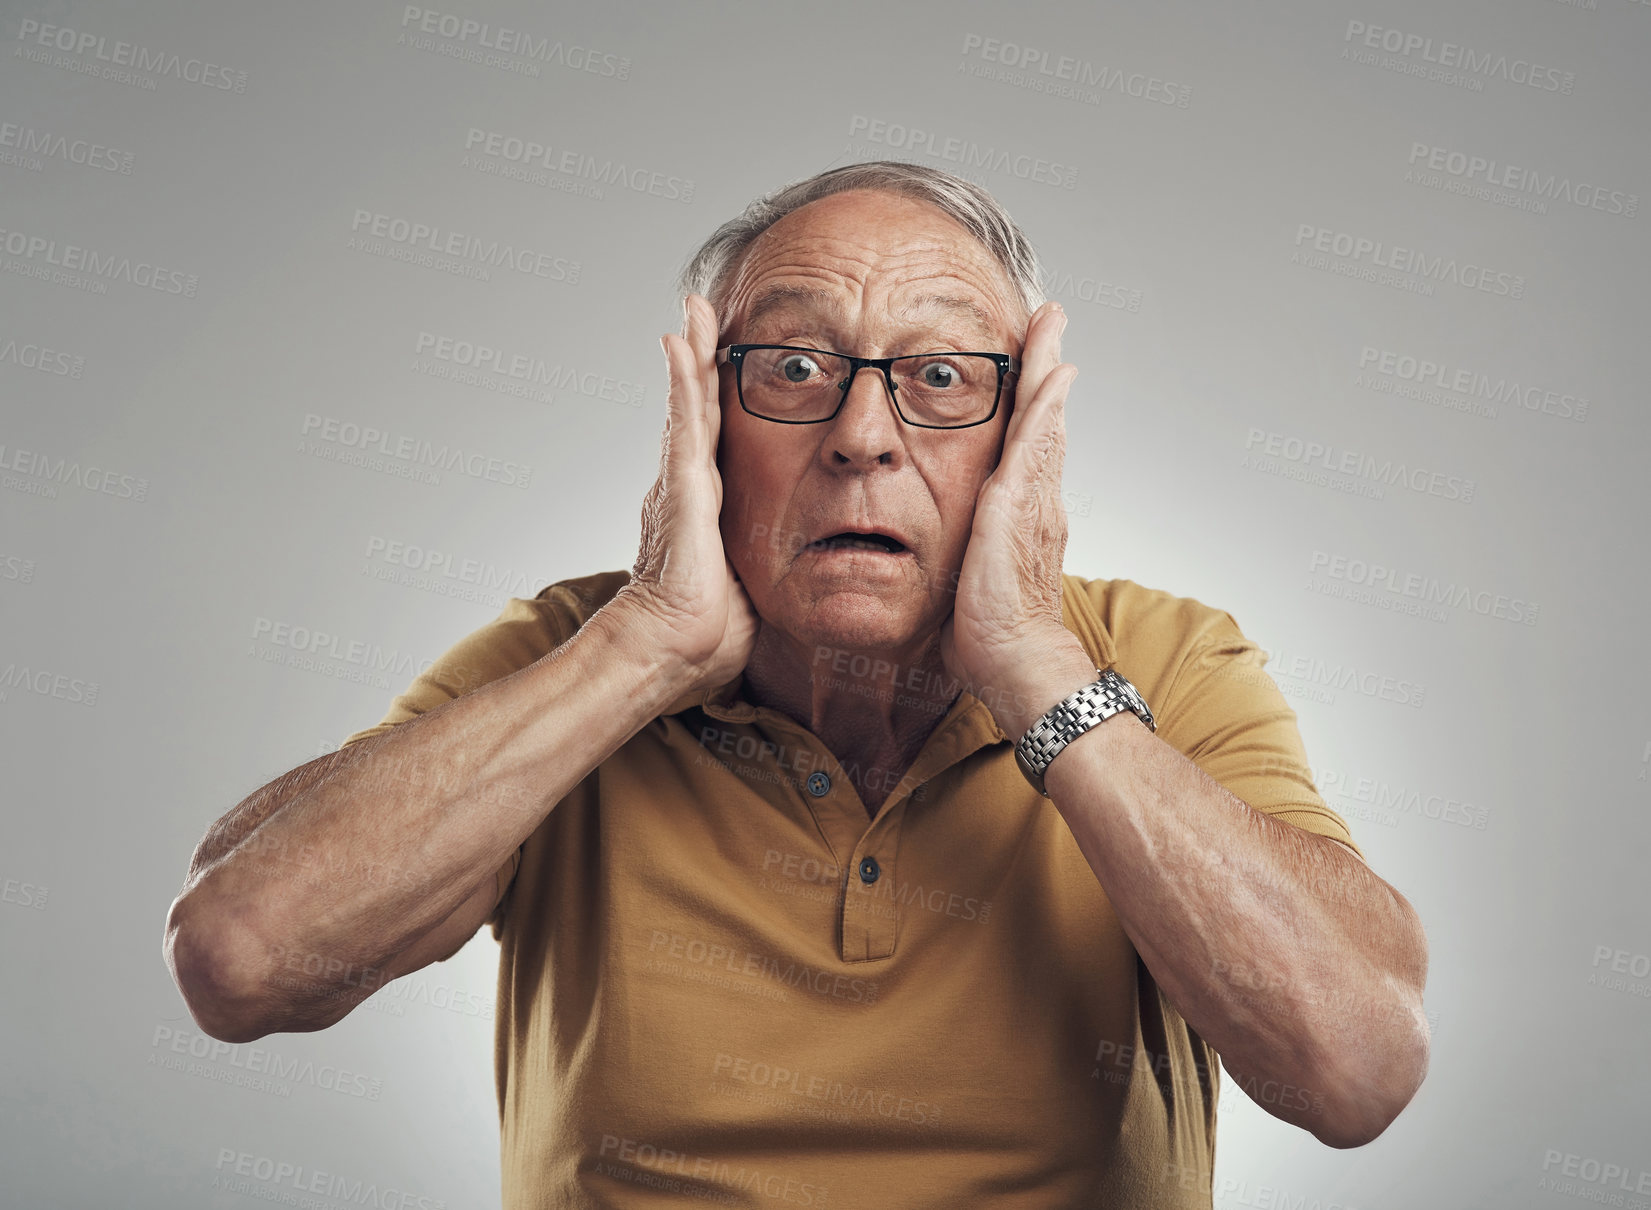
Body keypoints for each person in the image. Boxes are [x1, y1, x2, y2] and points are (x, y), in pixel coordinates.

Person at [164, 161, 1429, 1208]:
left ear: (1023, 439)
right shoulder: (573, 654)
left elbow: (1358, 1069)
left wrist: (1040, 672)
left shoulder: (1165, 661)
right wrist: (643, 646)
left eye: (940, 379)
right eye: (792, 368)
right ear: (703, 423)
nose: (863, 435)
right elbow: (241, 956)